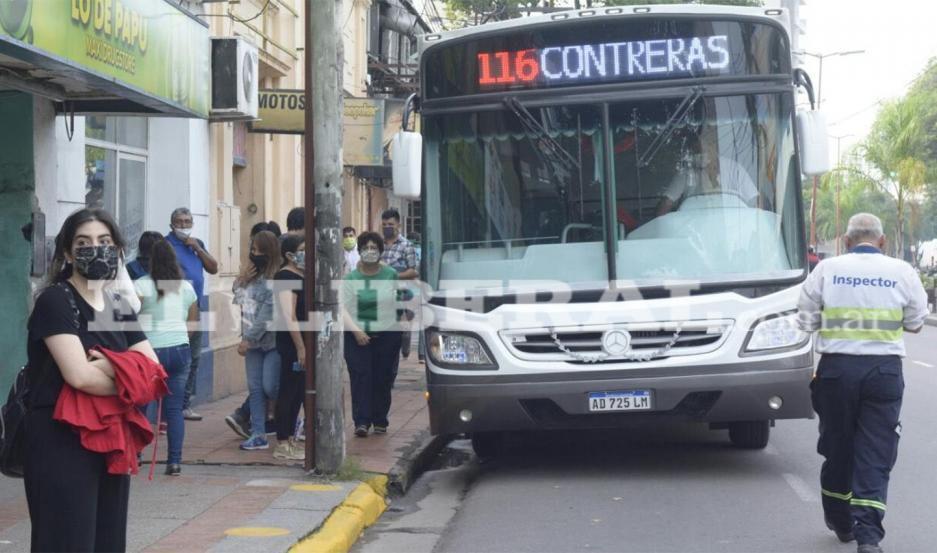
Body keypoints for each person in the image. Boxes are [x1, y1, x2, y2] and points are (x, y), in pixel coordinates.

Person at [24, 208, 159, 552]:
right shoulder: (56, 300)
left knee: (107, 541)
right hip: (61, 440)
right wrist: (128, 369)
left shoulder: (117, 304)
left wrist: (109, 364)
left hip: (111, 438)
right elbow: (79, 376)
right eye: (82, 243)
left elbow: (153, 370)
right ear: (68, 253)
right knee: (68, 541)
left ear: (117, 249)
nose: (94, 249)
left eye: (104, 241)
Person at [797, 213, 928, 553]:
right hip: (883, 373)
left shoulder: (827, 269)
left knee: (838, 447)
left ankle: (840, 521)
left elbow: (805, 320)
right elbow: (916, 323)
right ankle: (868, 538)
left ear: (846, 240)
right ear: (882, 241)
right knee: (876, 452)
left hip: (837, 371)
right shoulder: (903, 271)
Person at [134, 237, 199, 476]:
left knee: (141, 406)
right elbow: (193, 323)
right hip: (181, 349)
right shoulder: (186, 287)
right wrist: (180, 339)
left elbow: (125, 319)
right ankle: (174, 462)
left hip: (150, 352)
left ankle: (137, 455)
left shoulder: (140, 286)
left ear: (150, 261)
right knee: (174, 410)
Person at [342, 232, 402, 437]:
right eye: (366, 248)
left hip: (387, 335)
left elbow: (399, 303)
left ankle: (380, 420)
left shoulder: (390, 275)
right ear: (359, 251)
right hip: (356, 336)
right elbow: (342, 309)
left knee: (383, 378)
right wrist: (357, 331)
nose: (370, 252)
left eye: (374, 248)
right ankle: (361, 421)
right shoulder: (351, 278)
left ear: (380, 252)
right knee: (360, 377)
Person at [167, 207, 219, 423]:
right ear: (172, 225)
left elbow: (214, 268)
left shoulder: (197, 244)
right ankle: (170, 406)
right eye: (180, 222)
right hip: (173, 310)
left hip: (195, 308)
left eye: (188, 222)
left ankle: (184, 404)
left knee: (194, 356)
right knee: (174, 356)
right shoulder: (166, 244)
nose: (184, 226)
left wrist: (197, 247)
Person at [233, 230, 281, 450]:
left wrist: (248, 339)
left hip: (271, 342)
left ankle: (287, 417)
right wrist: (241, 280)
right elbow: (239, 301)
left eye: (259, 251)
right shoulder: (251, 277)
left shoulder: (275, 279)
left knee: (270, 386)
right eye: (253, 250)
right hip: (251, 342)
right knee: (254, 388)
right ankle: (258, 433)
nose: (255, 254)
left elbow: (267, 314)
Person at [656, 127, 759, 216]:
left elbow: (756, 201)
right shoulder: (686, 173)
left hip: (731, 231)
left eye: (704, 150)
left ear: (713, 147)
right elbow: (666, 204)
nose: (701, 154)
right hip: (696, 229)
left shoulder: (734, 169)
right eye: (697, 151)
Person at [272, 234, 307, 460]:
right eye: (303, 249)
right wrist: (300, 347)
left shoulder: (302, 275)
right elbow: (289, 315)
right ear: (289, 255)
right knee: (288, 391)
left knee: (299, 393)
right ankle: (282, 441)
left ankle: (292, 438)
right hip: (292, 343)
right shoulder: (285, 277)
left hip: (303, 340)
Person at [380, 209, 418, 360]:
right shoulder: (377, 244)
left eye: (390, 224)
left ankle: (404, 338)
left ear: (398, 225)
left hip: (400, 292)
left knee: (397, 330)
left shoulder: (406, 246)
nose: (387, 227)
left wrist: (393, 275)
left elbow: (413, 271)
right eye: (384, 224)